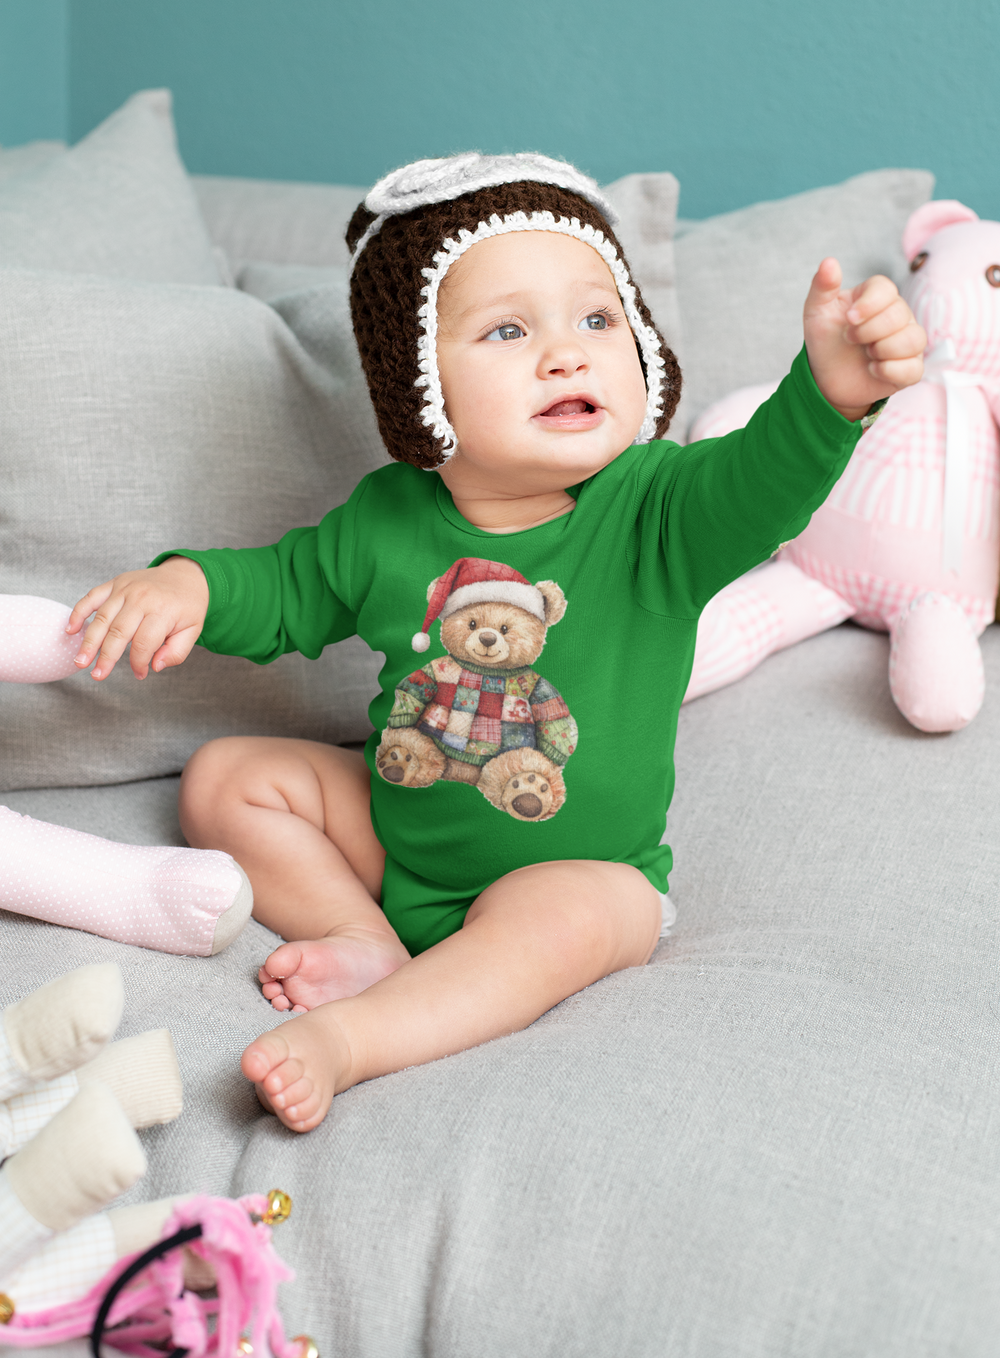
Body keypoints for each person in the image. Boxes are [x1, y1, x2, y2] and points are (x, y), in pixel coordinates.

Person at [66, 154, 926, 1133]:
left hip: (585, 877)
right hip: (400, 849)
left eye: (597, 320)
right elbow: (287, 586)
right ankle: (362, 940)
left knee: (558, 919)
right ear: (420, 383)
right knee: (226, 775)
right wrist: (186, 584)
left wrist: (829, 396)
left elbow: (757, 483)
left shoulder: (653, 508)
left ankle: (360, 1036)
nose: (566, 354)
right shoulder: (389, 520)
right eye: (509, 330)